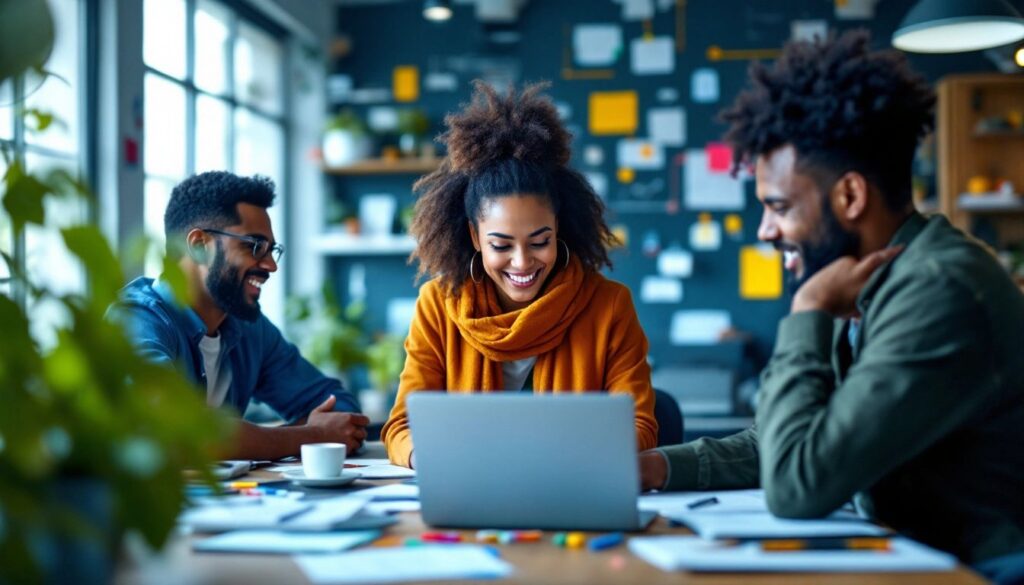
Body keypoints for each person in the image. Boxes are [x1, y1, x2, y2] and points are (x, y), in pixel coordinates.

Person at [640, 30, 1024, 572]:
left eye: (778, 207)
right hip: (912, 558)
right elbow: (792, 443)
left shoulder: (938, 290)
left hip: (975, 572)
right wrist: (656, 467)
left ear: (849, 196)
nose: (765, 232)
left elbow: (799, 482)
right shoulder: (882, 279)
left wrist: (809, 313)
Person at [381, 82, 658, 468]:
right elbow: (401, 427)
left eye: (539, 241)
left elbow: (640, 425)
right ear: (476, 237)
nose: (522, 262)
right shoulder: (438, 306)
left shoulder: (609, 305)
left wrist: (562, 458)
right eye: (501, 245)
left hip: (570, 489)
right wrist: (427, 456)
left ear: (558, 228)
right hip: (468, 491)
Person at [110, 172, 368, 460]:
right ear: (198, 245)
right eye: (255, 246)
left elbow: (340, 410)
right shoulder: (135, 321)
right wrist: (311, 436)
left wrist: (267, 439)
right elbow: (176, 429)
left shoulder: (249, 329)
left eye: (272, 250)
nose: (271, 265)